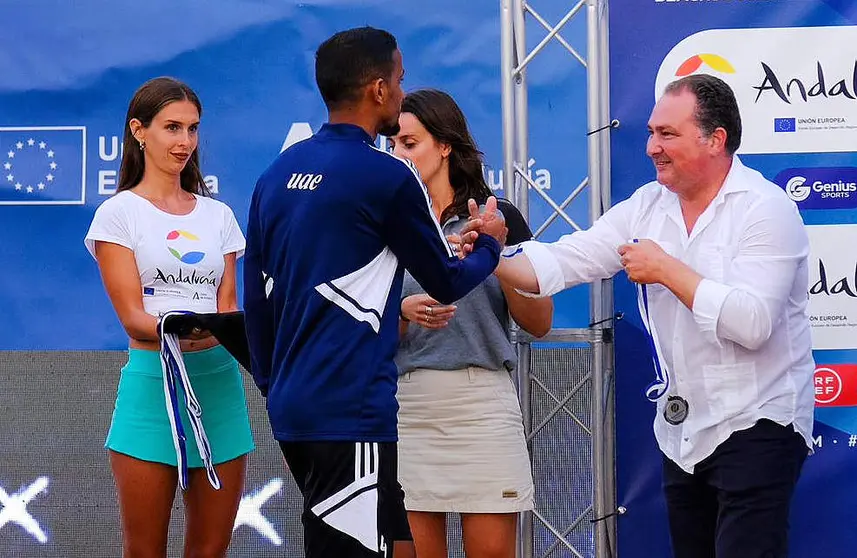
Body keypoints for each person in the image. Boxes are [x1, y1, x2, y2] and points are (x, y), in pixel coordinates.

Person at [491, 74, 814, 558]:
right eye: (650, 132)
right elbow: (569, 258)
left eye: (667, 134)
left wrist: (666, 269)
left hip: (758, 421)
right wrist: (491, 256)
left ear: (715, 139)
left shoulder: (766, 209)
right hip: (684, 433)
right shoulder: (646, 205)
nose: (651, 147)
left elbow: (753, 325)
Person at [242, 28, 506, 558]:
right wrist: (491, 246)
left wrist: (274, 384)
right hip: (351, 410)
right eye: (400, 81)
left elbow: (255, 300)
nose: (403, 93)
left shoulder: (275, 174)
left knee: (394, 546)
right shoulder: (387, 175)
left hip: (298, 406)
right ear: (378, 89)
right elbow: (446, 280)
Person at [84, 76, 253, 557]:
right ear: (139, 131)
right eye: (172, 128)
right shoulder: (119, 215)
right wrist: (178, 326)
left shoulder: (218, 217)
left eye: (193, 129)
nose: (184, 142)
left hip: (218, 388)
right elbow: (134, 319)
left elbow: (228, 311)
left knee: (210, 550)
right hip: (151, 387)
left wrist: (227, 330)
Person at [388, 88, 552, 558]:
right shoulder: (384, 224)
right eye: (393, 145)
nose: (399, 154)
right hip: (406, 408)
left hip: (482, 408)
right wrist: (402, 312)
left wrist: (492, 253)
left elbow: (539, 322)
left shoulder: (501, 217)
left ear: (444, 145)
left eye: (410, 143)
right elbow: (368, 332)